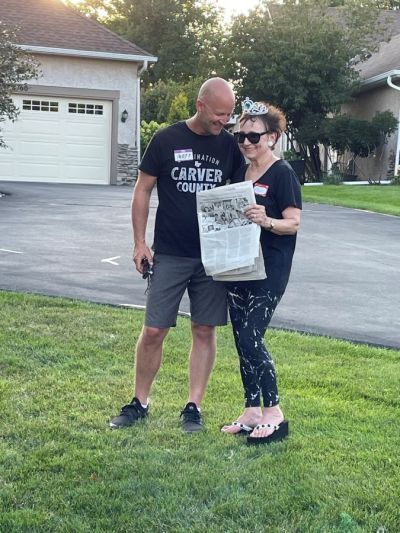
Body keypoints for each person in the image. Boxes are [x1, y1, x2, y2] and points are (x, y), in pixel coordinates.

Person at [109, 78, 244, 432]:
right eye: (219, 114)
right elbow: (142, 190)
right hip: (169, 252)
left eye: (229, 115)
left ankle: (193, 407)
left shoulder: (229, 146)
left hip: (213, 257)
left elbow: (241, 195)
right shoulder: (166, 139)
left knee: (204, 329)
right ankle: (140, 402)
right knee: (154, 329)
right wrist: (140, 242)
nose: (224, 121)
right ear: (200, 105)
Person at [221, 98, 302, 445]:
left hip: (270, 270)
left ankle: (275, 412)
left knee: (253, 336)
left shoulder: (282, 173)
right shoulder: (240, 173)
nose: (246, 142)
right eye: (241, 136)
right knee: (241, 340)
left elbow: (294, 223)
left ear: (272, 137)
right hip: (240, 266)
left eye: (253, 136)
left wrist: (266, 220)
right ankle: (252, 410)